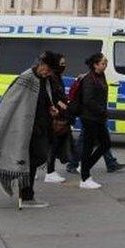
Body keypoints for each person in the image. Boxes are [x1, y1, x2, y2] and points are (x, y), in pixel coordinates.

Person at [0, 51, 64, 209]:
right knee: (28, 159)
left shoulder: (45, 80)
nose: (48, 73)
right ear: (42, 65)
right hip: (22, 125)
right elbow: (11, 102)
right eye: (48, 69)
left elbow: (43, 98)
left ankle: (9, 177)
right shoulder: (26, 78)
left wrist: (51, 108)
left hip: (39, 124)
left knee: (40, 156)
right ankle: (26, 195)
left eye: (51, 71)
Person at [77, 53, 111, 189]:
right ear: (95, 65)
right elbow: (88, 100)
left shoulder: (100, 76)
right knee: (88, 146)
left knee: (106, 144)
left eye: (105, 63)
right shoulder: (89, 79)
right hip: (89, 117)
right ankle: (85, 178)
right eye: (103, 63)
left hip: (98, 117)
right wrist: (103, 111)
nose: (105, 66)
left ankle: (85, 167)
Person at [43, 56, 71, 184]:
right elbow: (54, 96)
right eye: (61, 63)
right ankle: (49, 171)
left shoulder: (57, 77)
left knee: (56, 142)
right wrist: (61, 106)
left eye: (65, 63)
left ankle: (50, 169)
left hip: (58, 114)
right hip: (54, 115)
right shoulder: (52, 77)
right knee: (53, 143)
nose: (64, 66)